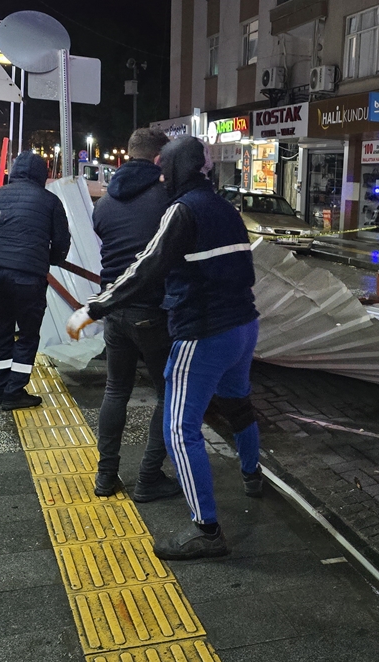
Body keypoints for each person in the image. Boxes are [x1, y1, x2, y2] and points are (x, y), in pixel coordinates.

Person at [67, 136, 261, 561]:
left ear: (172, 171)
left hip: (203, 331)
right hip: (244, 326)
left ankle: (206, 531)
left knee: (179, 428)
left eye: (164, 170)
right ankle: (253, 475)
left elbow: (146, 267)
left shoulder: (182, 210)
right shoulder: (227, 209)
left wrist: (93, 308)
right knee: (238, 403)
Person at [89, 128, 181, 504]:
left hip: (114, 310)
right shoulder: (167, 198)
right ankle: (148, 477)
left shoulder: (105, 201)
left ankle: (105, 476)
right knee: (167, 393)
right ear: (160, 158)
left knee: (116, 389)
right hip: (153, 309)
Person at [0, 150, 71, 411]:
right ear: (42, 175)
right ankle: (14, 391)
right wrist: (49, 258)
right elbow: (61, 242)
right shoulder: (50, 201)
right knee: (27, 334)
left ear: (13, 172)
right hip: (29, 276)